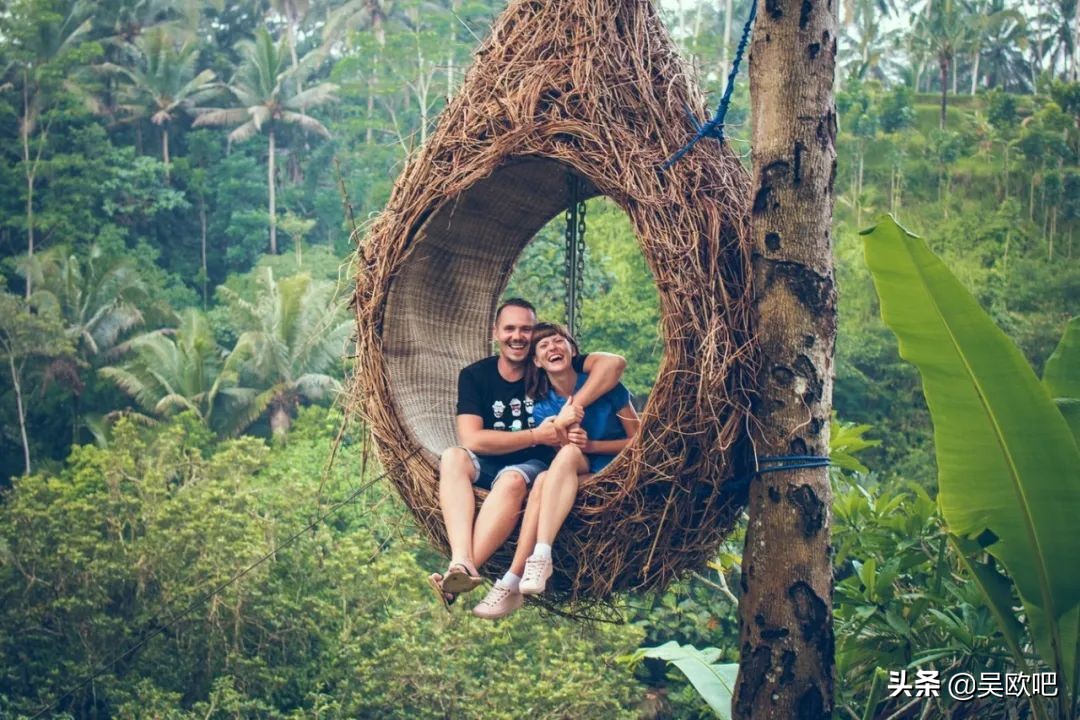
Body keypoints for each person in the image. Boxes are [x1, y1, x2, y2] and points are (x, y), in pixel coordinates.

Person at [430, 300, 627, 608]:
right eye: (509, 329)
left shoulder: (550, 364)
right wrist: (536, 435)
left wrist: (572, 407)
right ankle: (460, 560)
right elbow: (471, 439)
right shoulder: (476, 375)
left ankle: (465, 571)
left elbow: (614, 364)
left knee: (512, 479)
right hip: (489, 460)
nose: (518, 336)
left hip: (532, 464)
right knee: (453, 456)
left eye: (526, 329)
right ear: (495, 332)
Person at [471, 322, 639, 619]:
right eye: (544, 345)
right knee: (546, 476)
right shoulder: (541, 406)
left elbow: (640, 440)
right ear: (536, 361)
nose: (553, 347)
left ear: (572, 350)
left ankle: (525, 567)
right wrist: (564, 429)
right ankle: (523, 571)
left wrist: (592, 445)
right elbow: (563, 451)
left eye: (559, 341)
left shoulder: (606, 386)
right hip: (579, 474)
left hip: (618, 472)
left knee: (556, 469)